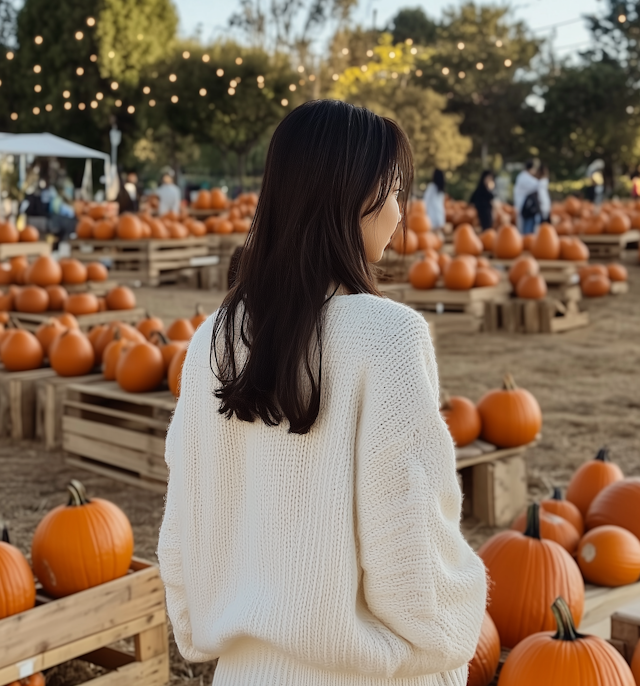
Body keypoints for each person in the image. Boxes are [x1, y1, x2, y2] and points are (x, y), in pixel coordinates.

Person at [158, 100, 486, 685]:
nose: (397, 213)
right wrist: (450, 631)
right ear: (349, 201)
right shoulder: (387, 337)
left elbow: (181, 531)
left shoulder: (213, 338)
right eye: (389, 193)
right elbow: (410, 550)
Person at [513, 159, 540, 234]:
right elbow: (537, 185)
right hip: (524, 207)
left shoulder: (522, 176)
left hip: (524, 206)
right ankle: (526, 242)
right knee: (526, 229)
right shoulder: (524, 177)